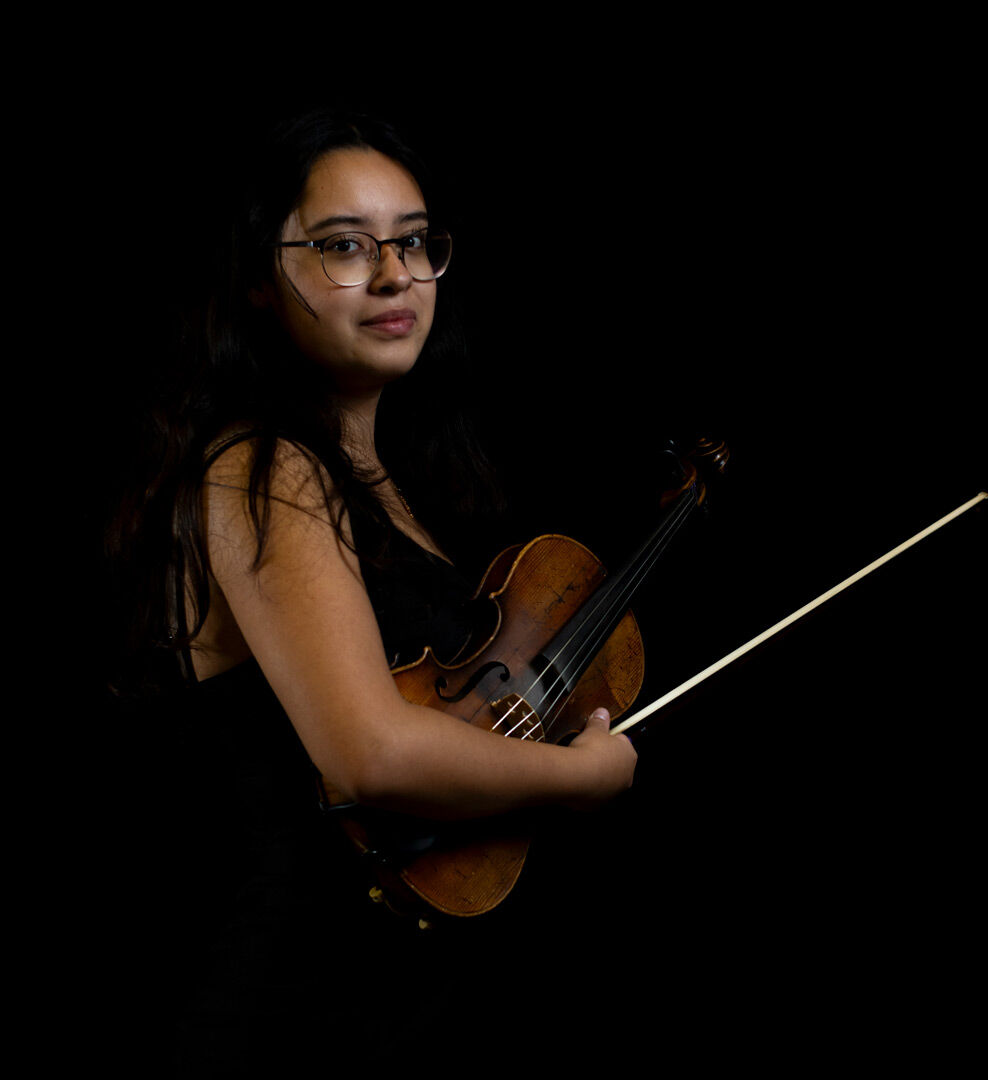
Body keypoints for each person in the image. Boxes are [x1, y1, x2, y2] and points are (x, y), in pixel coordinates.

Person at [104, 104, 636, 1074]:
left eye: (414, 244)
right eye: (345, 247)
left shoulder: (394, 485)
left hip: (392, 1000)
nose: (394, 278)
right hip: (293, 1016)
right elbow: (369, 753)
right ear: (264, 279)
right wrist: (577, 776)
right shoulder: (263, 468)